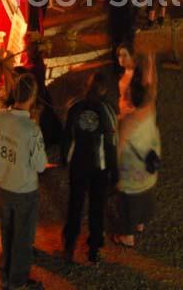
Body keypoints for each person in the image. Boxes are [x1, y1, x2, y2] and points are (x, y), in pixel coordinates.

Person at [0, 74, 47, 290]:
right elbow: (40, 165)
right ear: (32, 97)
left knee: (7, 231)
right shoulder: (31, 130)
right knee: (22, 238)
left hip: (3, 186)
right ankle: (18, 282)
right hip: (24, 191)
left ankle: (5, 273)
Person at [61, 72, 118, 264]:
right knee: (96, 207)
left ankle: (69, 245)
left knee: (75, 206)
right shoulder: (107, 110)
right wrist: (114, 170)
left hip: (78, 163)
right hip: (98, 167)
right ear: (104, 90)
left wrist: (64, 158)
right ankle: (94, 248)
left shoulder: (75, 107)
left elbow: (67, 135)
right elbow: (111, 142)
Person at [112, 72, 160, 249]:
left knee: (128, 204)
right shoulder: (151, 110)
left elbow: (120, 149)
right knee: (146, 195)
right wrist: (150, 63)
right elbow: (152, 88)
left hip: (132, 173)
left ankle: (127, 236)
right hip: (149, 166)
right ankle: (140, 223)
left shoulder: (128, 122)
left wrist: (115, 173)